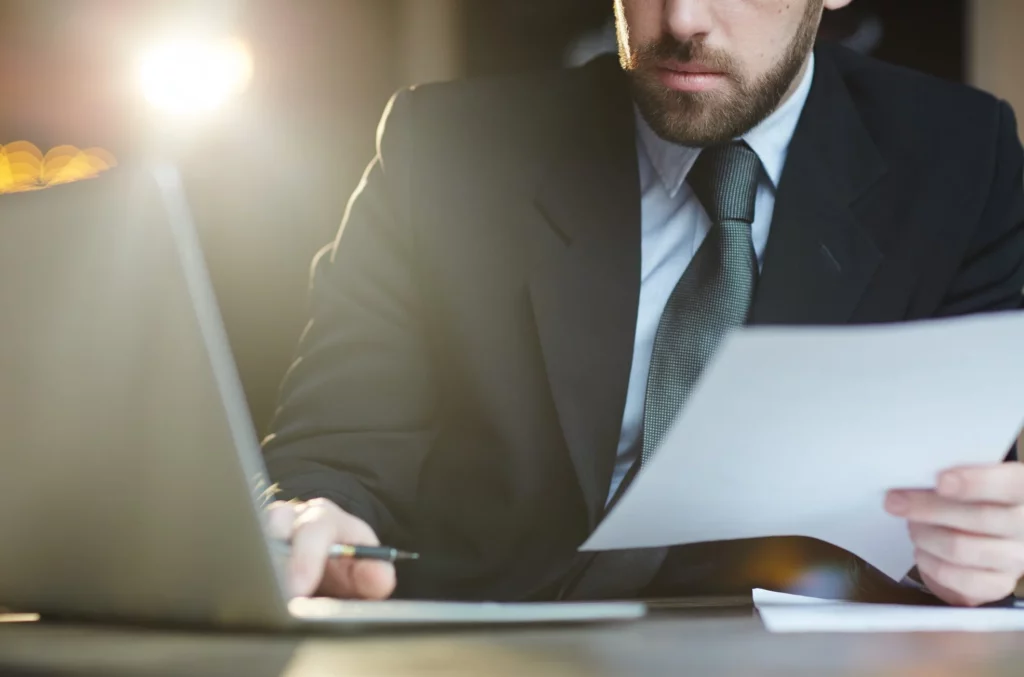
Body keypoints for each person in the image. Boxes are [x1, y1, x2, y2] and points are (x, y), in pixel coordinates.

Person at [262, 0, 1024, 607]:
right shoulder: (446, 150)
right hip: (486, 641)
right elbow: (335, 450)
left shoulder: (963, 158)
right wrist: (313, 516)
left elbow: (994, 476)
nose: (683, 19)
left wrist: (989, 551)